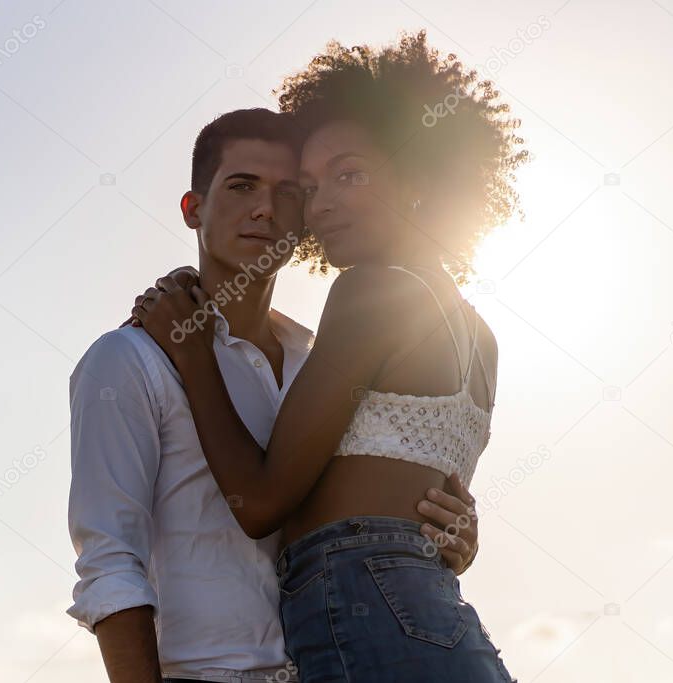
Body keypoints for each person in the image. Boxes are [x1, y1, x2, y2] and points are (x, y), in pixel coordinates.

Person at [129, 31, 526, 682]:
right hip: (430, 610)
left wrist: (193, 346)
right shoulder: (478, 334)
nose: (322, 204)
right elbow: (418, 497)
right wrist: (453, 541)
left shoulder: (372, 288)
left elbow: (258, 502)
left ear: (419, 176)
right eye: (310, 187)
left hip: (364, 601)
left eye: (350, 173)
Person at [68, 106, 482, 683]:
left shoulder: (323, 364)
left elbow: (367, 504)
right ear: (194, 209)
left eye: (290, 192)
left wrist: (445, 534)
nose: (265, 208)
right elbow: (110, 563)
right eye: (241, 186)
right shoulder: (130, 358)